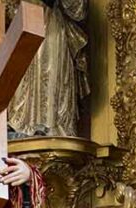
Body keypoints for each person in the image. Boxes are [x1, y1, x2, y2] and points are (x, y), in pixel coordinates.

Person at [8, 0, 89, 137]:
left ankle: (51, 128)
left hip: (53, 25)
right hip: (24, 23)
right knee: (23, 77)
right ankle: (22, 126)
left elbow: (79, 8)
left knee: (50, 73)